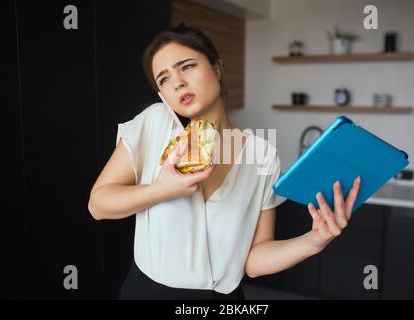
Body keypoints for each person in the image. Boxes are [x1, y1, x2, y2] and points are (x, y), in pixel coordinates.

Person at [87, 23, 361, 300]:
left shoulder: (262, 154)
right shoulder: (156, 123)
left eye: (187, 66)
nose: (177, 82)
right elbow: (98, 205)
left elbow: (253, 262)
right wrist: (162, 189)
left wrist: (314, 241)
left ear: (216, 68)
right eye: (164, 79)